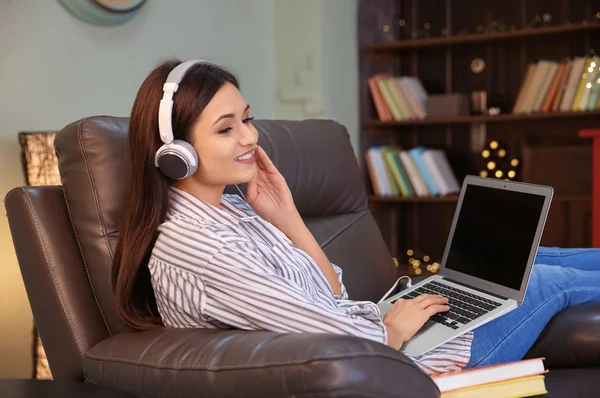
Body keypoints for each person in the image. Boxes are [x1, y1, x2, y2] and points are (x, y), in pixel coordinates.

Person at [111, 59, 600, 377]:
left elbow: (332, 298)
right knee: (544, 280)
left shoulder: (232, 211)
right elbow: (333, 339)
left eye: (246, 117)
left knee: (532, 258)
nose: (250, 137)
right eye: (226, 128)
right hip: (398, 365)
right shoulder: (197, 246)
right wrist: (390, 326)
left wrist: (289, 219)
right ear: (175, 153)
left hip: (383, 336)